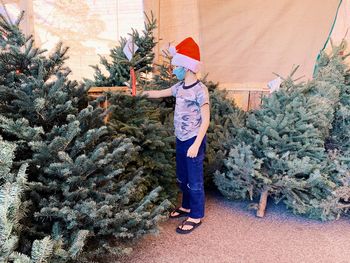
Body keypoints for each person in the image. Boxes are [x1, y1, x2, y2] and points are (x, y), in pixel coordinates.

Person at [142, 37, 210, 234]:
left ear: (187, 67)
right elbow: (159, 93)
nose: (174, 70)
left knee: (194, 179)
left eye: (177, 66)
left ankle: (196, 215)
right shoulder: (179, 87)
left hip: (193, 140)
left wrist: (196, 144)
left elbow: (205, 120)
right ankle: (186, 206)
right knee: (182, 176)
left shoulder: (200, 90)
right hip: (180, 138)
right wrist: (140, 94)